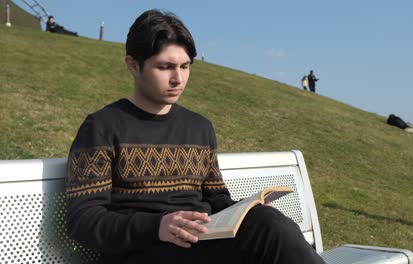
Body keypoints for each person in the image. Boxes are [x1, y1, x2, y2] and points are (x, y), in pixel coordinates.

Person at [66, 9, 326, 264]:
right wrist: (157, 226)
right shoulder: (101, 127)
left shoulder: (199, 127)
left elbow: (217, 198)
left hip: (201, 245)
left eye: (185, 66)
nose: (178, 78)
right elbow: (83, 220)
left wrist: (246, 209)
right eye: (165, 67)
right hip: (141, 250)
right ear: (133, 65)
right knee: (269, 231)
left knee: (267, 223)